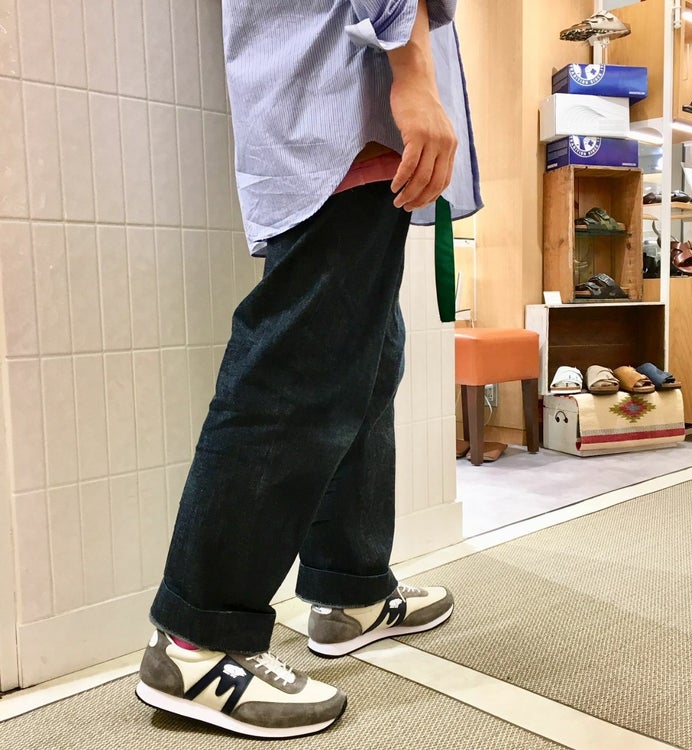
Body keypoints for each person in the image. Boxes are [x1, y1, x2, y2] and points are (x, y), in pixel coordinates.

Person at [135, 0, 481, 739]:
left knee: (365, 355)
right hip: (345, 97)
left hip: (336, 92)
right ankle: (197, 641)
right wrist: (414, 73)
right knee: (300, 364)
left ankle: (351, 590)